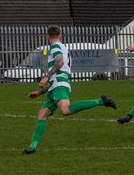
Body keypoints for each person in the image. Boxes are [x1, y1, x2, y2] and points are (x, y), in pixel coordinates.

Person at [23, 26, 117, 154]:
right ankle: (32, 148)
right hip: (55, 86)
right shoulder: (63, 47)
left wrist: (46, 77)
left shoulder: (55, 47)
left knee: (66, 110)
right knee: (42, 115)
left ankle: (101, 101)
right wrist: (39, 92)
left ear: (46, 36)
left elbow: (60, 62)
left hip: (59, 84)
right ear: (60, 35)